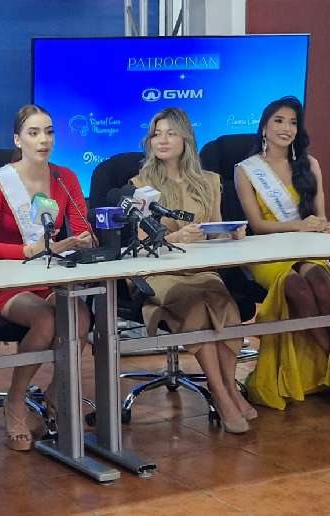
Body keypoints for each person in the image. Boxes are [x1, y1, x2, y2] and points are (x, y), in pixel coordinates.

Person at [0, 104, 93, 451]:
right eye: (34, 132)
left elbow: (81, 228)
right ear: (18, 139)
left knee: (79, 316)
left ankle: (56, 391)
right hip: (3, 281)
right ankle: (15, 399)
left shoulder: (65, 178)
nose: (44, 140)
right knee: (46, 319)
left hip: (48, 276)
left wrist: (83, 239)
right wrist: (29, 250)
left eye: (49, 132)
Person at [129, 107, 253, 433]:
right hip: (159, 272)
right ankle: (221, 394)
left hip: (200, 269)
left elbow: (214, 230)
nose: (162, 140)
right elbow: (139, 242)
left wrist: (230, 233)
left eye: (171, 133)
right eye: (156, 134)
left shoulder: (209, 182)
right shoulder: (141, 186)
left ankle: (228, 387)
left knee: (226, 307)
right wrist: (175, 237)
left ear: (186, 139)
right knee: (196, 307)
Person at [234, 96, 330, 410]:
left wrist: (320, 225)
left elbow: (321, 216)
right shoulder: (246, 170)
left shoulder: (309, 165)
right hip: (268, 252)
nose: (286, 128)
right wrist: (298, 225)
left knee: (321, 281)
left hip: (307, 247)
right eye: (279, 120)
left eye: (292, 122)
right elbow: (257, 225)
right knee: (296, 287)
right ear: (264, 126)